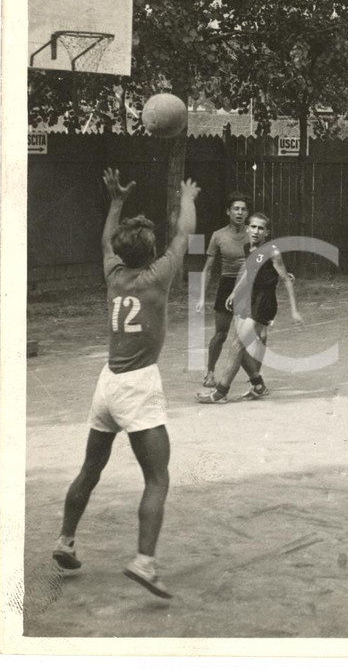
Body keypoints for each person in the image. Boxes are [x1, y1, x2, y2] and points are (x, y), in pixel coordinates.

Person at [52, 168, 201, 599]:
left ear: (120, 251)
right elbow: (185, 234)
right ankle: (145, 561)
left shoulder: (112, 275)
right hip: (138, 385)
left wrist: (116, 201)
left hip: (107, 383)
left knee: (90, 469)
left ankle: (65, 540)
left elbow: (105, 241)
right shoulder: (158, 277)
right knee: (157, 479)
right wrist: (187, 197)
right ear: (151, 252)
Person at [196, 213, 303, 403]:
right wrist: (235, 292)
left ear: (267, 232)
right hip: (251, 299)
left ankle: (220, 393)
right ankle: (258, 385)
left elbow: (286, 279)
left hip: (265, 303)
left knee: (237, 344)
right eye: (253, 227)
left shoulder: (272, 251)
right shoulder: (249, 248)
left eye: (261, 228)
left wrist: (294, 310)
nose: (256, 231)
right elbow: (249, 272)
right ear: (247, 228)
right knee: (239, 347)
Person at [195, 194, 250, 386]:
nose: (239, 212)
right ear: (228, 211)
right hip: (227, 284)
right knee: (221, 334)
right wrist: (201, 297)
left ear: (247, 213)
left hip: (247, 285)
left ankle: (255, 379)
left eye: (243, 209)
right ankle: (210, 372)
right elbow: (207, 269)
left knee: (250, 335)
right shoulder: (218, 235)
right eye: (236, 208)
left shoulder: (253, 234)